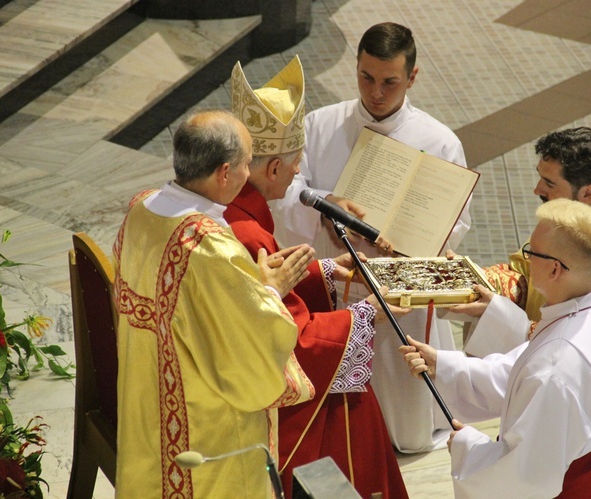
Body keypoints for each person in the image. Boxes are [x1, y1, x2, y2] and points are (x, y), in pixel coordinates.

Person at [272, 21, 471, 453]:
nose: (376, 92)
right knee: (340, 421)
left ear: (412, 77)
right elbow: (287, 188)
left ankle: (407, 434)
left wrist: (413, 240)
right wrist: (325, 205)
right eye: (366, 77)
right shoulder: (321, 125)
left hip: (399, 288)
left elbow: (456, 222)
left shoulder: (440, 142)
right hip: (337, 278)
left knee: (403, 413)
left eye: (389, 82)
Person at [226, 56, 409, 498]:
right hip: (258, 393)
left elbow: (272, 293)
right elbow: (295, 338)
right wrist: (366, 315)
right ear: (271, 169)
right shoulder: (247, 232)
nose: (297, 170)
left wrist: (325, 272)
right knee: (358, 407)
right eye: (294, 162)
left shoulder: (237, 211)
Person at [113, 110, 317, 498]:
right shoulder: (207, 245)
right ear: (224, 173)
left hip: (145, 399)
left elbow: (185, 302)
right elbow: (246, 344)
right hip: (199, 424)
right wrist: (270, 292)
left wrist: (248, 282)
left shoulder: (142, 209)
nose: (246, 175)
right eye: (244, 164)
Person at [464, 127, 591, 498]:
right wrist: (469, 280)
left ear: (587, 192)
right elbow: (525, 272)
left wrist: (496, 314)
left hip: (589, 413)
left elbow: (581, 342)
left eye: (548, 182)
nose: (537, 189)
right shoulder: (571, 220)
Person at [401, 198, 591, 497]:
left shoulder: (557, 366)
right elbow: (524, 371)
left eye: (531, 251)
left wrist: (468, 447)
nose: (526, 260)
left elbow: (526, 478)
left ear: (555, 269)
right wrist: (446, 365)